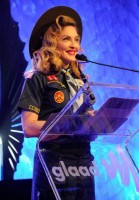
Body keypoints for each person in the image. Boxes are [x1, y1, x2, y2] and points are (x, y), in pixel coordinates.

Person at [18, 6, 96, 200]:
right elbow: (29, 127)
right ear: (53, 43)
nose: (74, 45)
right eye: (66, 39)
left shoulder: (82, 81)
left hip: (84, 164)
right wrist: (70, 124)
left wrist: (97, 123)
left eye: (76, 39)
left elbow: (88, 130)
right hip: (54, 163)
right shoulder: (38, 78)